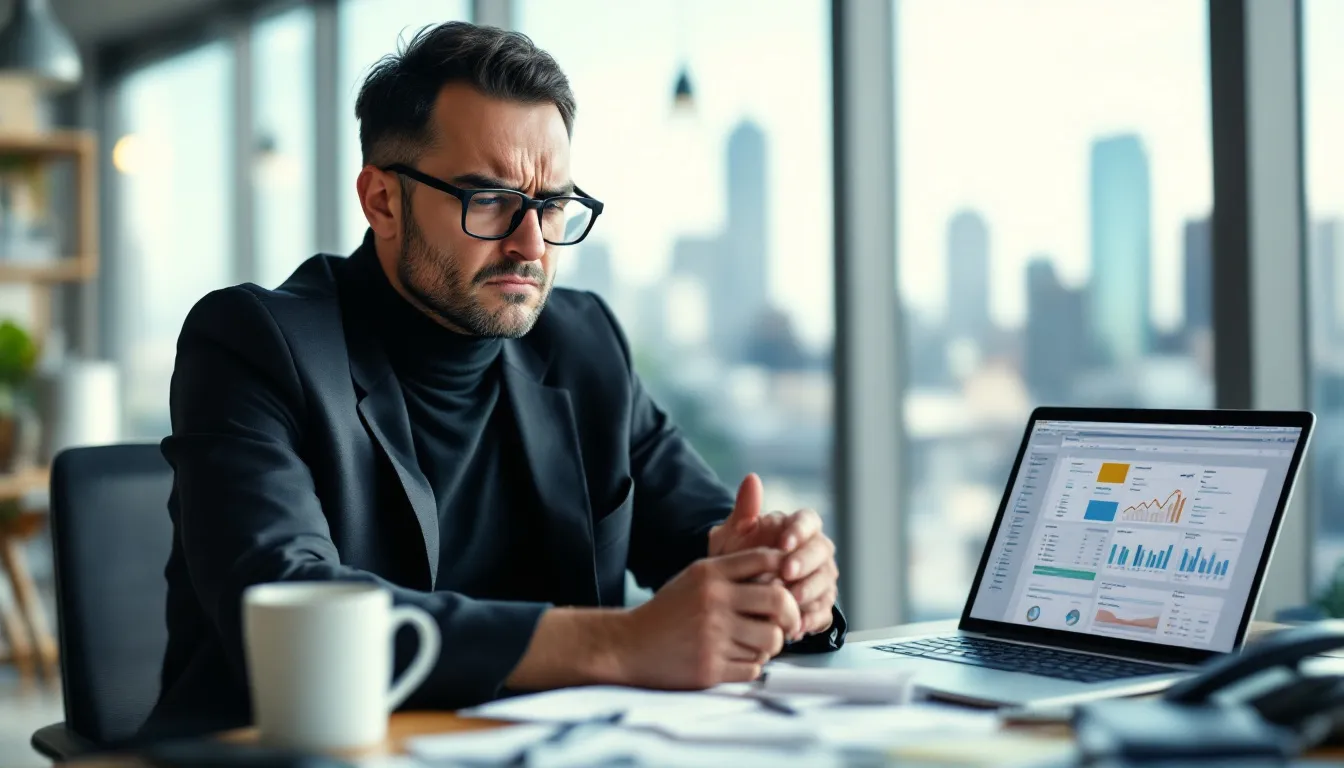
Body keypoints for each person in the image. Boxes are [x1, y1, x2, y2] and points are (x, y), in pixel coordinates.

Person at [145, 20, 843, 737]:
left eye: (552, 206)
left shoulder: (584, 342)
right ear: (382, 200)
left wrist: (776, 581)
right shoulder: (254, 342)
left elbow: (705, 532)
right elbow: (291, 604)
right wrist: (620, 644)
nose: (531, 244)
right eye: (488, 201)